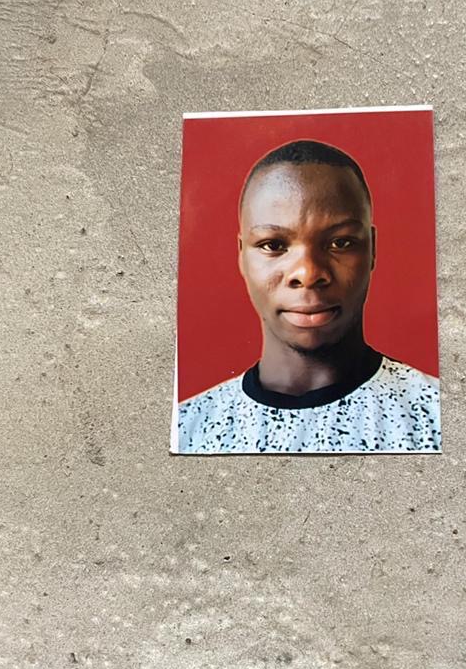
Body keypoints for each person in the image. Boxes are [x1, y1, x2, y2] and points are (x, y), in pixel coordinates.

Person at [175, 140, 441, 453]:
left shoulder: (435, 414)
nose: (308, 272)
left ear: (372, 249)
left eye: (340, 243)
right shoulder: (189, 429)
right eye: (273, 245)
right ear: (242, 256)